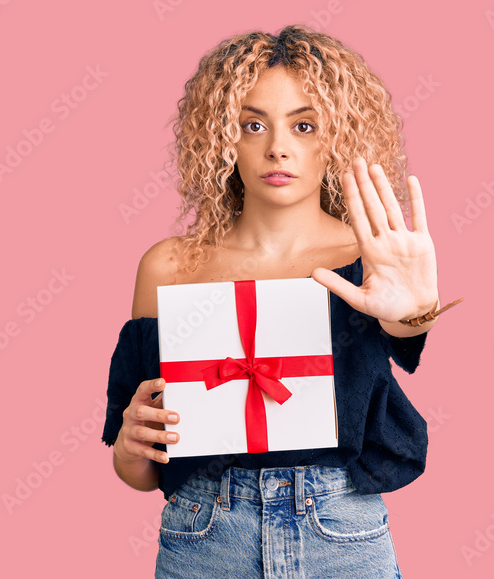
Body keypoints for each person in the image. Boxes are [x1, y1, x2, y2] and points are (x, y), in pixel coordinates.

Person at [100, 25, 461, 578]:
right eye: (253, 124)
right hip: (204, 532)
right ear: (224, 139)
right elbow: (143, 467)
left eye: (304, 124)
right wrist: (130, 445)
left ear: (336, 138)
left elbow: (406, 333)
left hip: (339, 531)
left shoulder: (371, 256)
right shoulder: (168, 267)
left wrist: (414, 311)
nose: (278, 147)